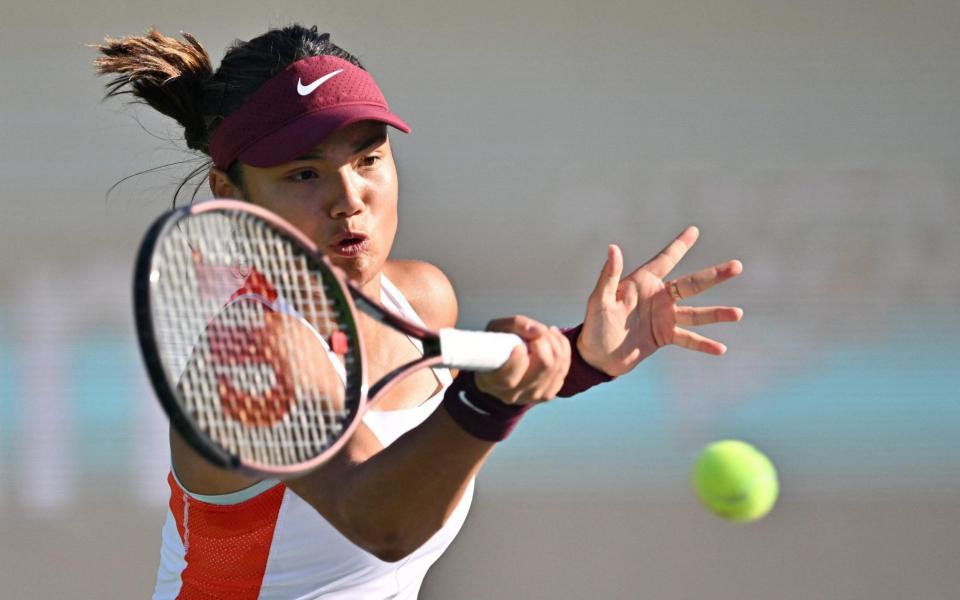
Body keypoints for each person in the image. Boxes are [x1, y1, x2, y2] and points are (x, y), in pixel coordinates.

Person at [94, 25, 744, 599]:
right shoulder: (250, 349)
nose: (350, 198)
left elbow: (444, 435)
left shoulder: (423, 297)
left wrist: (579, 360)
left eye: (368, 158)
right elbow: (382, 521)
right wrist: (488, 405)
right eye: (302, 174)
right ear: (229, 194)